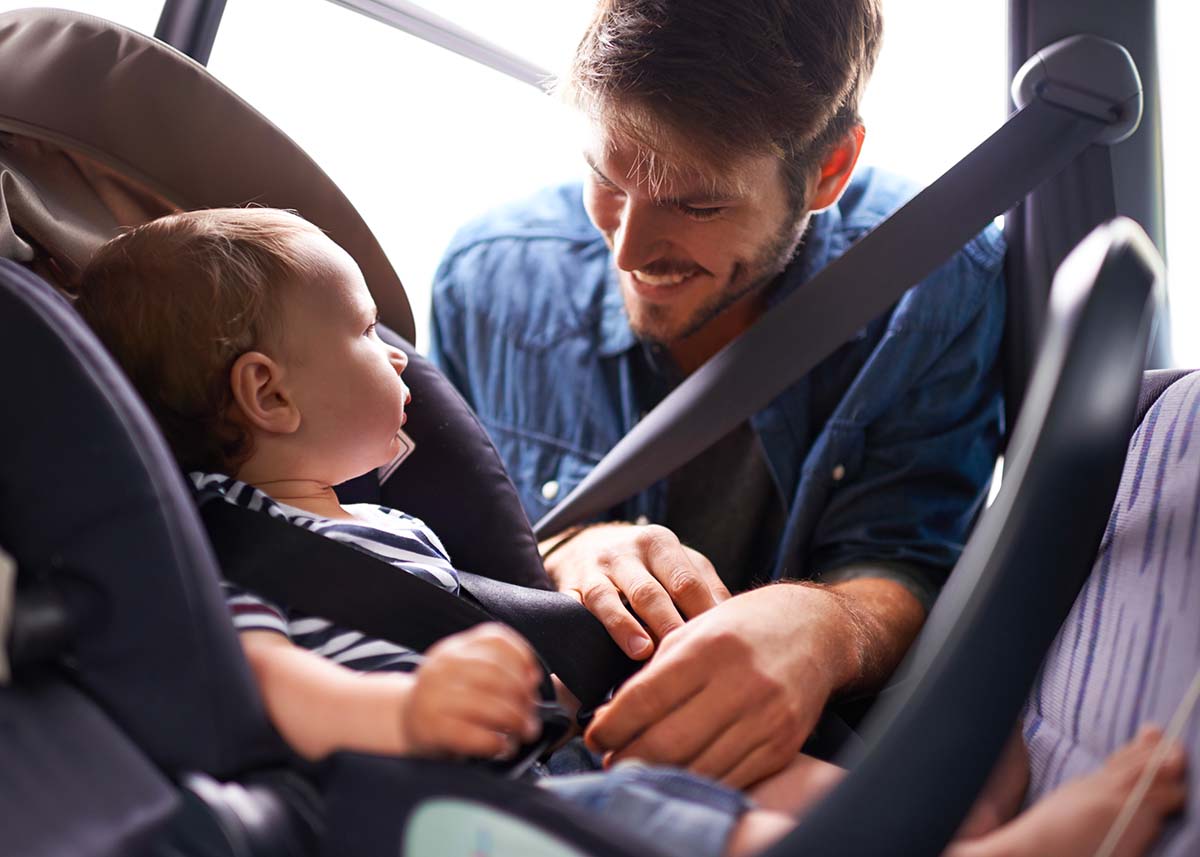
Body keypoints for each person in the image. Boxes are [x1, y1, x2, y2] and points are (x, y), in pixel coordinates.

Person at [75, 207, 1186, 857]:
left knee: (747, 774)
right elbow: (253, 672)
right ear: (269, 395)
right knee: (684, 824)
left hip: (552, 747)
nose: (405, 357)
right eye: (367, 332)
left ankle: (930, 810)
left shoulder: (381, 519)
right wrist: (400, 706)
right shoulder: (225, 538)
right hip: (454, 801)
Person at [430, 0, 1004, 786]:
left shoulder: (936, 286)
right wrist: (563, 550)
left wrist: (826, 626)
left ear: (828, 170)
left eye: (697, 203)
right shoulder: (487, 279)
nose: (629, 247)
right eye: (606, 176)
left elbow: (907, 555)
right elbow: (422, 538)